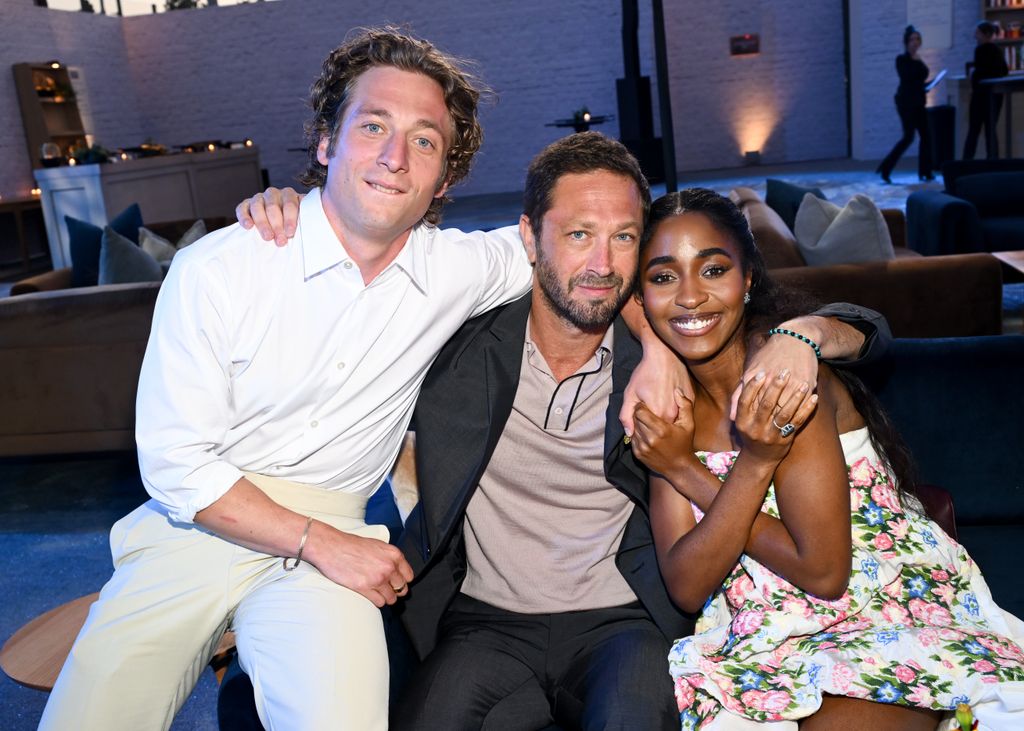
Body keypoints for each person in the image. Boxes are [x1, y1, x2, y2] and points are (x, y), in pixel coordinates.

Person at [239, 133, 889, 730]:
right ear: (529, 236)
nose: (602, 263)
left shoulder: (669, 351)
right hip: (483, 624)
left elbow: (868, 329)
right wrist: (302, 223)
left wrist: (802, 334)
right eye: (578, 234)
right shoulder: (457, 344)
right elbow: (332, 325)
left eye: (624, 237)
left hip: (625, 622)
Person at [40, 28, 541, 731]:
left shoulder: (457, 269)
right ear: (327, 142)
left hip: (329, 533)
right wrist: (322, 542)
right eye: (373, 126)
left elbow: (584, 245)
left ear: (445, 179)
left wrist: (690, 349)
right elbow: (176, 462)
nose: (395, 158)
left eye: (424, 141)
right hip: (196, 527)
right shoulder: (221, 267)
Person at [630, 187, 1024, 730]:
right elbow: (687, 584)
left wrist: (688, 469)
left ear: (748, 280)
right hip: (755, 635)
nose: (690, 296)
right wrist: (686, 461)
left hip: (875, 608)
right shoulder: (667, 410)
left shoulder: (787, 380)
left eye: (714, 270)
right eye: (663, 277)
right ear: (641, 297)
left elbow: (824, 571)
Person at [877, 25, 934, 184]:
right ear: (906, 42)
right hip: (906, 102)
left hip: (919, 101)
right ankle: (886, 168)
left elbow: (919, 80)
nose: (915, 42)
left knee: (926, 137)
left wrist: (928, 84)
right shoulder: (901, 59)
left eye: (917, 39)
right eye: (912, 39)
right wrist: (917, 66)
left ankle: (925, 172)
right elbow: (908, 78)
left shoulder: (919, 59)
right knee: (908, 137)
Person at [963, 21, 1009, 161]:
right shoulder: (998, 50)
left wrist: (973, 75)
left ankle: (966, 163)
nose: (975, 36)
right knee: (991, 130)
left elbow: (979, 74)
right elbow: (1004, 71)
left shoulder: (980, 50)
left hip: (980, 97)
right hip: (995, 96)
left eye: (977, 33)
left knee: (974, 130)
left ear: (985, 34)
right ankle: (993, 162)